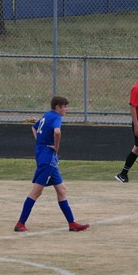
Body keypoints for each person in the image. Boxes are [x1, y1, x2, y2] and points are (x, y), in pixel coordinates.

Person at [13, 96, 90, 233]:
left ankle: (72, 223)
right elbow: (57, 131)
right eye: (64, 106)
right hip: (47, 158)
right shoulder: (56, 117)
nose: (66, 109)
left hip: (47, 157)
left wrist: (40, 143)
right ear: (57, 107)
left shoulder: (47, 115)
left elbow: (34, 127)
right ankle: (20, 223)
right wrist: (56, 146)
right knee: (36, 191)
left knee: (61, 190)